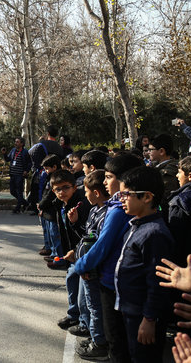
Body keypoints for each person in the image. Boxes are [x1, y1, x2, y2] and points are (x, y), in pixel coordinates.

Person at [74, 153, 143, 363]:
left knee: (115, 337)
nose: (105, 181)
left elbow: (103, 245)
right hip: (115, 278)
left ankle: (101, 346)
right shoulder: (118, 206)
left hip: (111, 280)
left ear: (125, 179)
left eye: (109, 177)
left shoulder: (119, 210)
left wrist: (81, 265)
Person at [115, 166, 174, 363]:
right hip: (131, 311)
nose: (121, 198)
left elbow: (157, 282)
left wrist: (149, 319)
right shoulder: (137, 224)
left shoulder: (154, 233)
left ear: (147, 197)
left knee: (144, 357)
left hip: (143, 315)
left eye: (126, 194)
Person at [65, 170, 111, 360]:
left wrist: (87, 265)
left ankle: (100, 344)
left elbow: (99, 244)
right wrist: (75, 224)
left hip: (92, 269)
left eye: (86, 191)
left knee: (95, 306)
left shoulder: (107, 213)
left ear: (97, 193)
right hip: (84, 266)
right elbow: (86, 236)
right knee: (87, 303)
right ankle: (93, 336)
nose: (85, 195)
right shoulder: (94, 210)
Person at [148, 134, 179, 213]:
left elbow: (166, 197)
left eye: (151, 150)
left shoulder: (169, 171)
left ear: (161, 151)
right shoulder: (156, 167)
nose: (148, 152)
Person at [37, 154, 61, 258]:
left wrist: (42, 204)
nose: (45, 171)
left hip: (52, 210)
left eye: (47, 169)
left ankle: (57, 255)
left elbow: (50, 195)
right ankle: (50, 250)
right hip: (46, 209)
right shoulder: (49, 177)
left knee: (54, 234)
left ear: (54, 167)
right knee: (49, 232)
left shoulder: (57, 178)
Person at [3, 137, 32, 213]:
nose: (15, 143)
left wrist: (26, 170)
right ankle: (25, 203)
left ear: (22, 144)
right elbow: (7, 159)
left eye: (17, 142)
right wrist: (4, 154)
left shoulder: (25, 152)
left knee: (19, 191)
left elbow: (30, 163)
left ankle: (18, 208)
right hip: (12, 174)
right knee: (12, 191)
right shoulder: (13, 150)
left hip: (20, 175)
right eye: (15, 141)